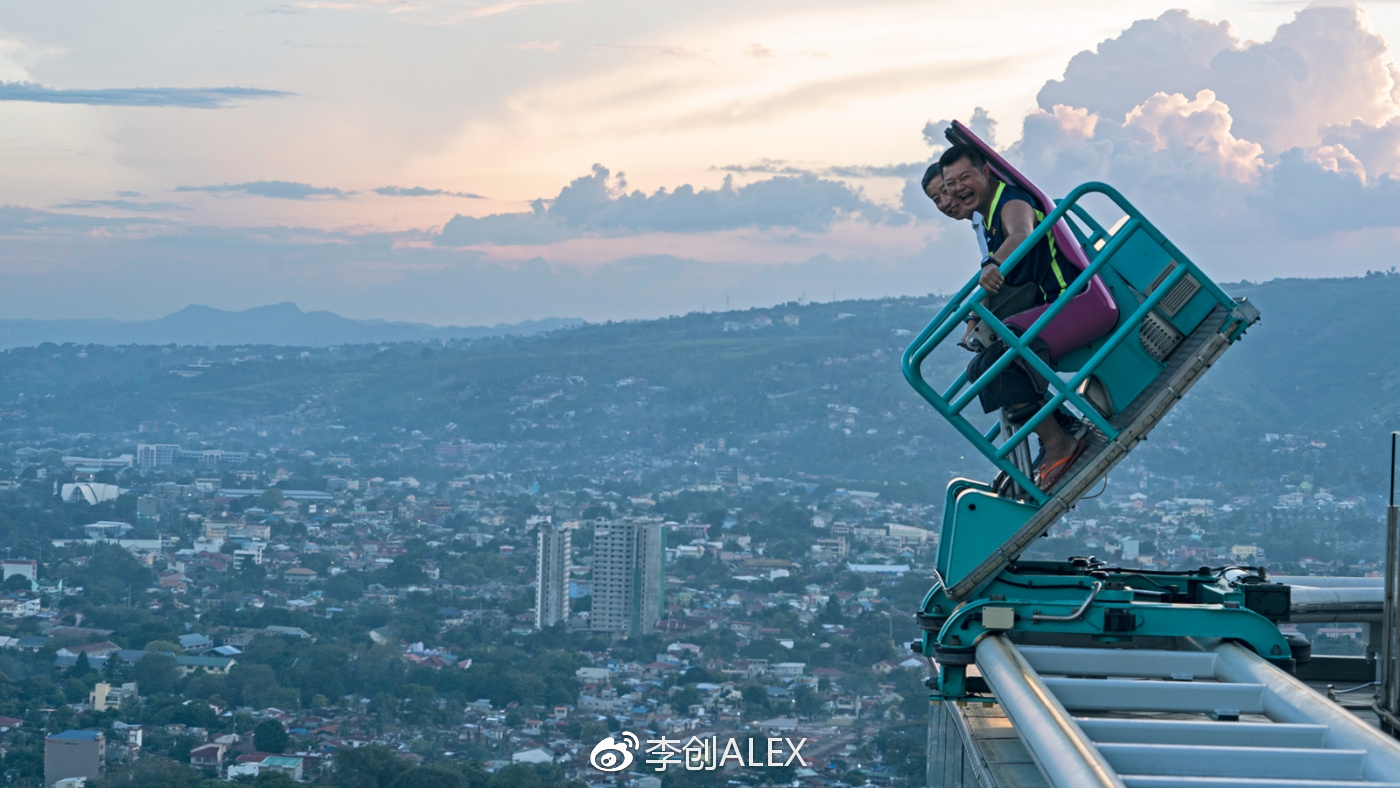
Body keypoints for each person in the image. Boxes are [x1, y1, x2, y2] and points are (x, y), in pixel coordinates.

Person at [935, 144, 1085, 490]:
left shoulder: (1011, 200)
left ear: (985, 172)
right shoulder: (988, 217)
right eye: (950, 183)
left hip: (1065, 301)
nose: (958, 188)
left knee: (994, 368)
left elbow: (1022, 233)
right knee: (985, 365)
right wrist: (976, 315)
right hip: (1043, 305)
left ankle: (1058, 442)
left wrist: (992, 263)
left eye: (965, 177)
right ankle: (1059, 426)